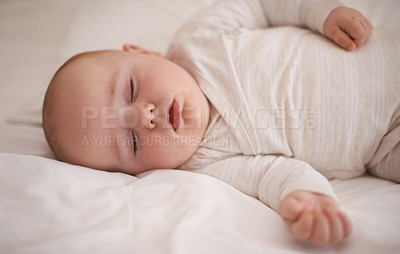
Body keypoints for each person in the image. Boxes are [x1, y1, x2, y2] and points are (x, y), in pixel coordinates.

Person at [42, 0, 400, 246]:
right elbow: (272, 174)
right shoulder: (206, 164)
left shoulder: (199, 38)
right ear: (136, 172)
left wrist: (323, 12)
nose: (145, 116)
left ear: (143, 53)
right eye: (132, 143)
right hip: (386, 144)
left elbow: (263, 5)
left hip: (380, 53)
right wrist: (308, 199)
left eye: (131, 88)